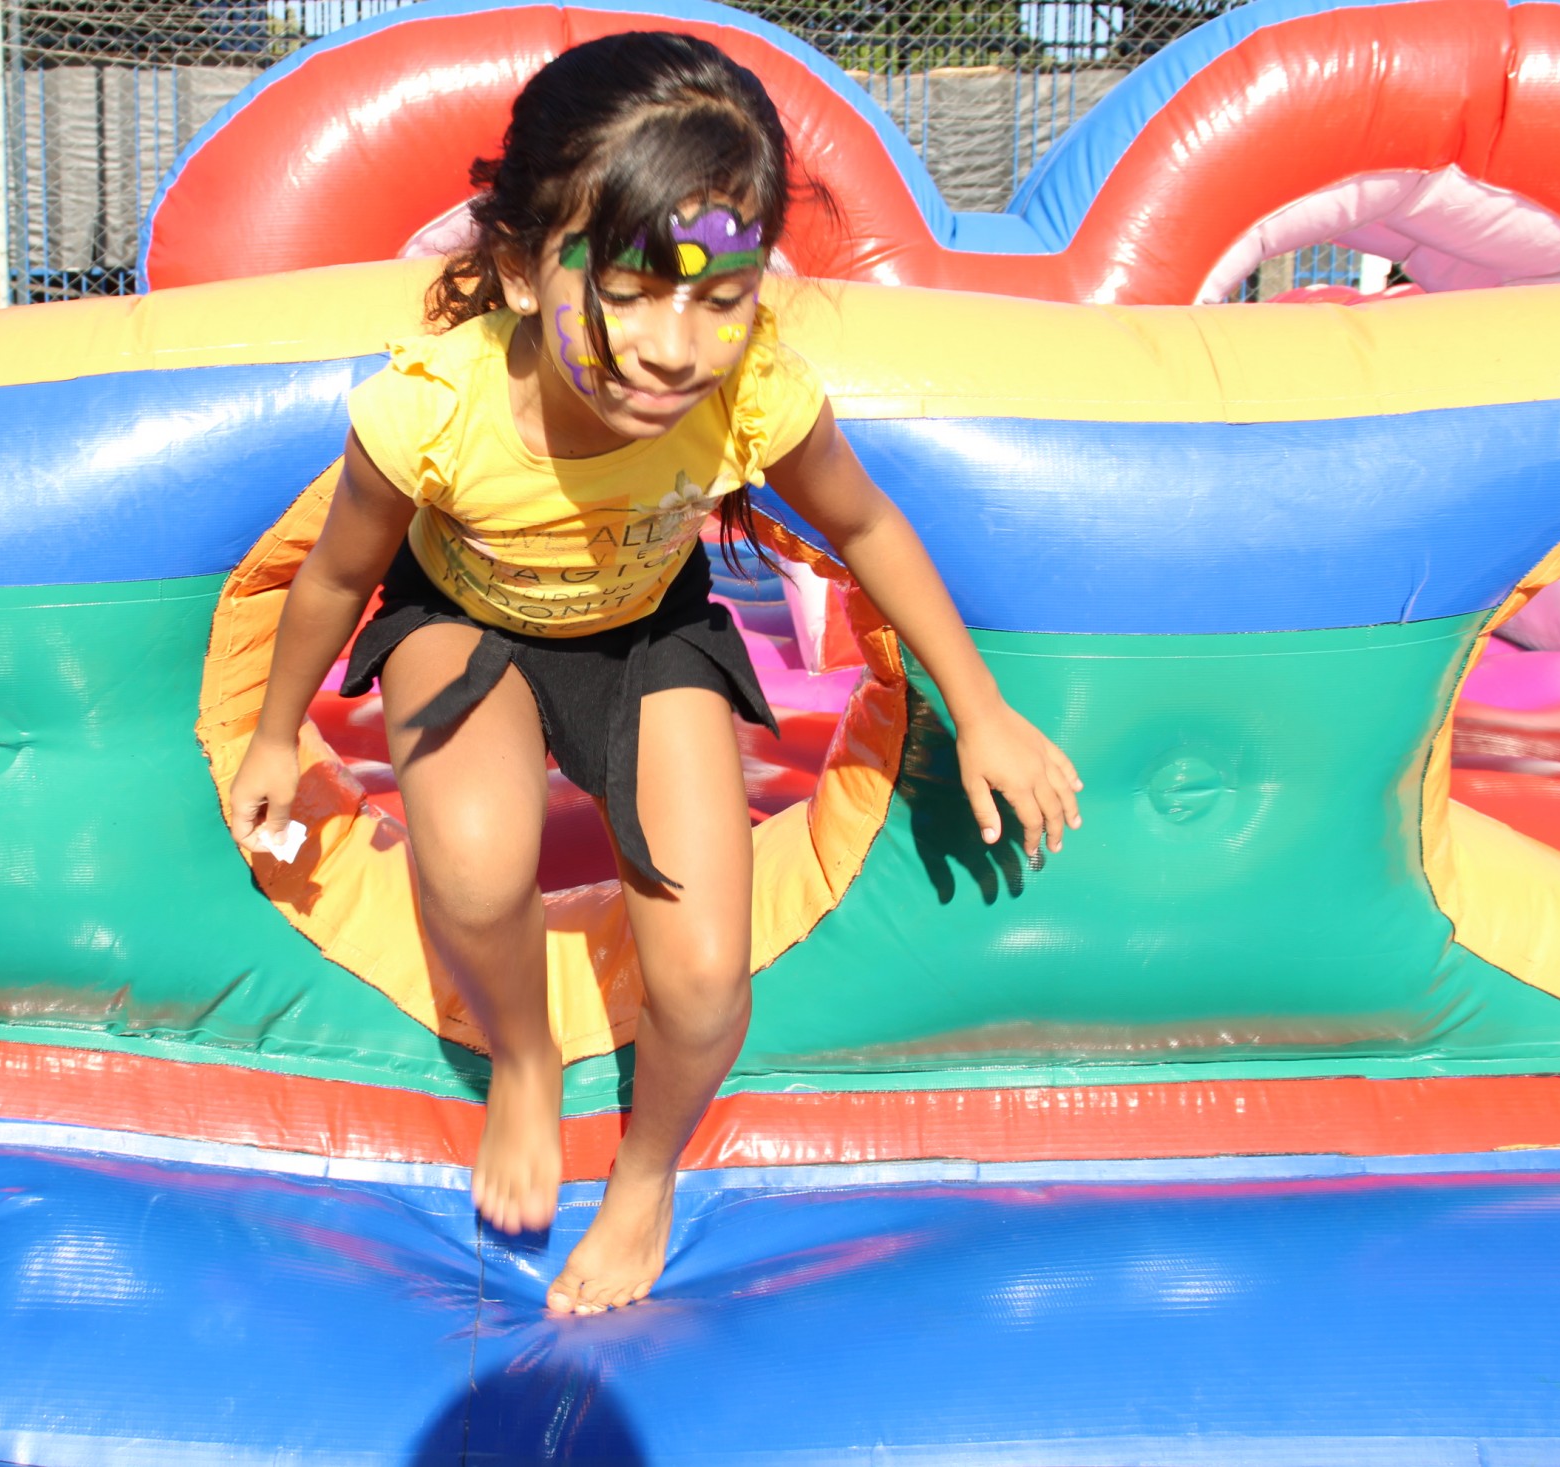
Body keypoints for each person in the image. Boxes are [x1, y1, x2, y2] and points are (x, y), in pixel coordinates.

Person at [227, 31, 1083, 1315]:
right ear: (519, 269)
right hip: (463, 618)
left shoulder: (752, 395)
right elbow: (335, 581)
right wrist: (274, 734)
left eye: (720, 297)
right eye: (627, 291)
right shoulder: (432, 409)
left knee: (702, 976)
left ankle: (645, 1178)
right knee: (474, 868)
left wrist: (980, 707)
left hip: (642, 633)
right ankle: (524, 1058)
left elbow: (863, 527)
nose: (676, 347)